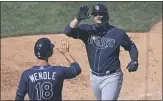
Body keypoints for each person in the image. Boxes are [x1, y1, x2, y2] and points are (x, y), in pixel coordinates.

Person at [64, 4, 139, 100]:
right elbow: (68, 31)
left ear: (107, 16)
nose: (99, 16)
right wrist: (77, 19)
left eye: (101, 14)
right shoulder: (87, 31)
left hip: (111, 77)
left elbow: (131, 46)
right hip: (94, 76)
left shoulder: (117, 33)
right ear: (93, 17)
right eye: (96, 14)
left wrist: (134, 60)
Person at [15, 37, 81, 100]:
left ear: (35, 52)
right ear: (50, 53)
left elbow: (19, 97)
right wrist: (66, 53)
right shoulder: (59, 71)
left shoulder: (26, 74)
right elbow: (76, 69)